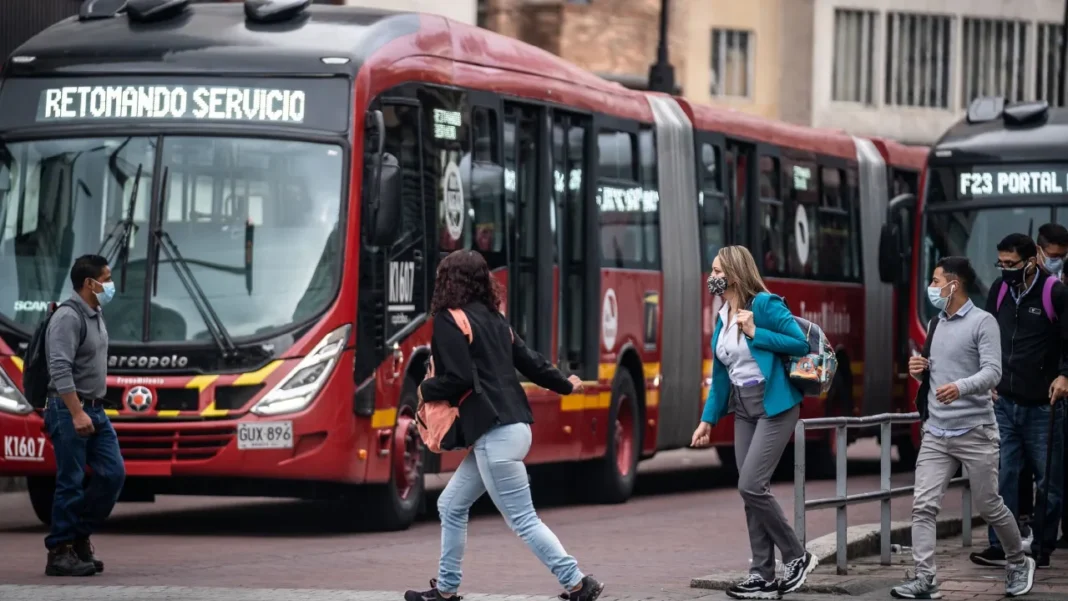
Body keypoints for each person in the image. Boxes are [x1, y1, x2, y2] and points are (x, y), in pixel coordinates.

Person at [404, 250, 604, 601]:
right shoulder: (495, 319)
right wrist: (565, 384)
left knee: (523, 520)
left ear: (448, 282)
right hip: (514, 428)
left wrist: (424, 387)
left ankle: (578, 582)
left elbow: (458, 378)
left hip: (494, 434)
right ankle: (447, 590)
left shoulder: (451, 321)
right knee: (450, 505)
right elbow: (530, 362)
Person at [892, 256, 1035, 599]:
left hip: (975, 431)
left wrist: (961, 386)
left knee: (989, 506)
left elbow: (992, 372)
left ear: (954, 285)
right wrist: (919, 369)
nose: (932, 287)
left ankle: (1018, 561)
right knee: (923, 506)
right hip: (937, 434)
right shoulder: (936, 323)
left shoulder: (983, 322)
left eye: (936, 280)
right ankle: (925, 578)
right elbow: (936, 373)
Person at [691, 245, 818, 600]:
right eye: (712, 271)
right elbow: (720, 377)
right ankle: (761, 574)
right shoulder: (722, 315)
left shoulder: (763, 304)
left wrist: (754, 332)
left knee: (751, 484)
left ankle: (797, 557)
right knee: (749, 492)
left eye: (718, 271)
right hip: (743, 407)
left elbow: (798, 342)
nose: (712, 277)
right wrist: (707, 420)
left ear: (734, 273)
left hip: (774, 404)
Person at [969, 234, 1068, 570]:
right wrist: (986, 377)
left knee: (1049, 482)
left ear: (1031, 261)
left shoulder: (1054, 292)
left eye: (1012, 264)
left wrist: (1064, 375)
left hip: (1044, 405)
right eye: (1001, 263)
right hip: (1005, 403)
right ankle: (1003, 547)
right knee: (1005, 476)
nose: (1005, 269)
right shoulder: (999, 291)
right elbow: (984, 334)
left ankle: (1041, 547)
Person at [43, 254, 124, 577]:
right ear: (89, 283)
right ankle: (60, 550)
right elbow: (59, 368)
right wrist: (76, 413)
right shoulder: (68, 317)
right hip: (68, 410)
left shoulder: (95, 313)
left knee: (112, 474)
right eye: (106, 278)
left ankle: (78, 535)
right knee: (71, 481)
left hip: (96, 409)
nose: (110, 283)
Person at [1036, 223, 1068, 548]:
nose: (1057, 260)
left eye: (1063, 256)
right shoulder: (1027, 286)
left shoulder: (1060, 287)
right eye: (1053, 255)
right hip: (1043, 386)